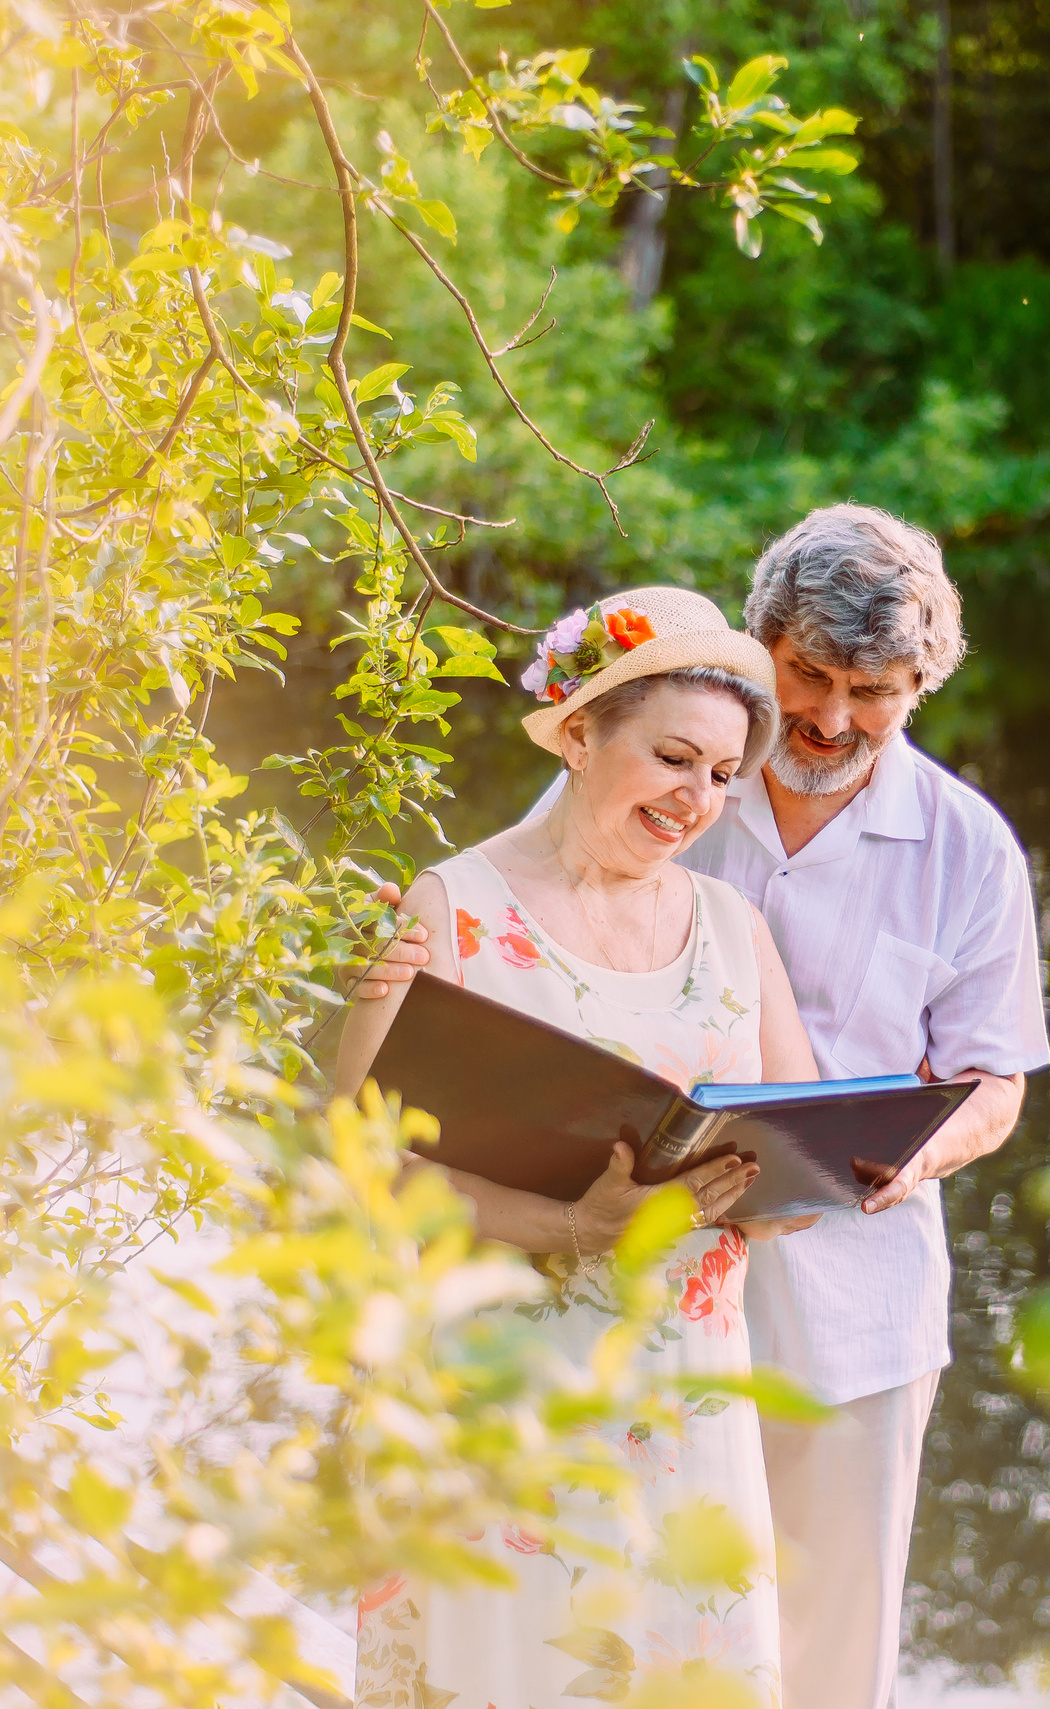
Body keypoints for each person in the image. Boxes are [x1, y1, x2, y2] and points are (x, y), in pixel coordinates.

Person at [355, 508, 1050, 1709]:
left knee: (818, 1658)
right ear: (759, 643)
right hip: (603, 1301)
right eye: (811, 676)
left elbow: (995, 1077)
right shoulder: (667, 759)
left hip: (846, 1297)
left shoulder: (965, 846)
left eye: (874, 691)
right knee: (590, 1626)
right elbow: (506, 916)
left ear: (922, 685)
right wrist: (400, 959)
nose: (831, 718)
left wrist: (911, 1154)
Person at [331, 586, 824, 1709]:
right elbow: (363, 1168)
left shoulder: (733, 929)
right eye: (672, 756)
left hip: (685, 1401)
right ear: (578, 731)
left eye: (720, 773)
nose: (697, 797)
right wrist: (566, 1223)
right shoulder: (447, 909)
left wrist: (821, 1176)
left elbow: (798, 1157)